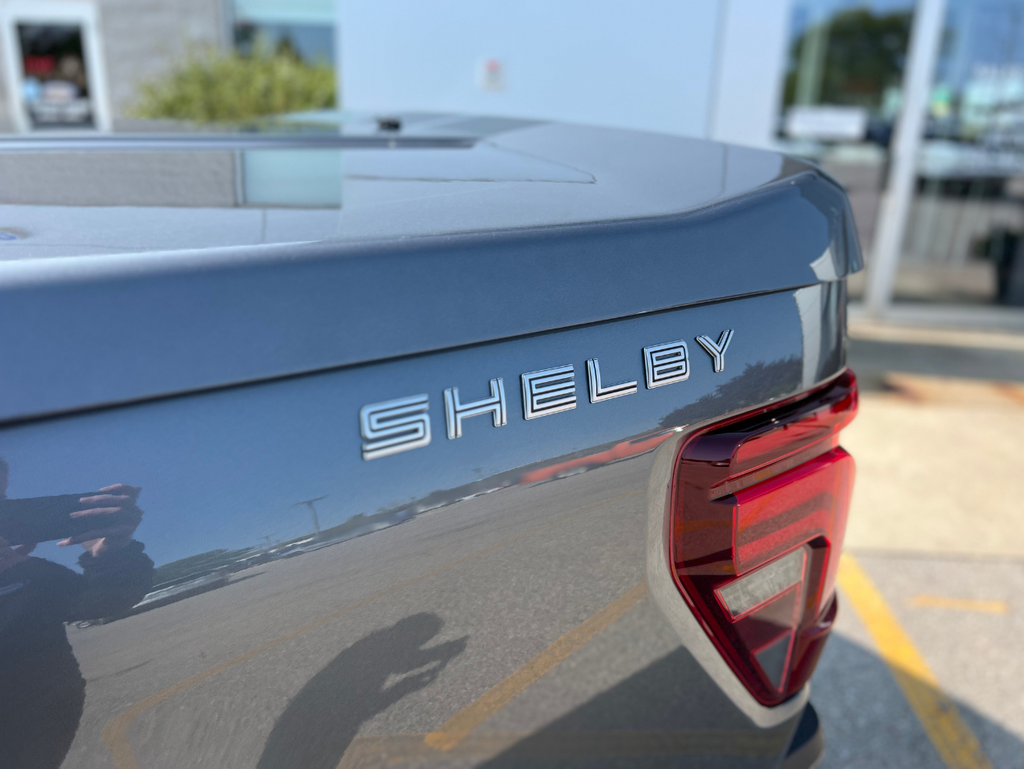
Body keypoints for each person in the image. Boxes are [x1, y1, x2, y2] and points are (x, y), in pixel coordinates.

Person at [0, 458, 154, 769]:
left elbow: (102, 602)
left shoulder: (28, 573)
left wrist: (111, 555)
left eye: (4, 505)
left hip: (37, 732)